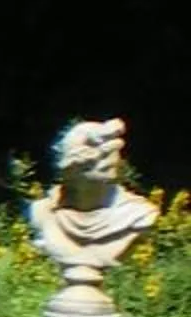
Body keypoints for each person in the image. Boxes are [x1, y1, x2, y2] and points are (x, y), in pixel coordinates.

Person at [26, 117, 158, 273]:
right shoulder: (43, 212)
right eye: (99, 158)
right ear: (71, 169)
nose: (110, 160)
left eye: (112, 154)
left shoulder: (138, 214)